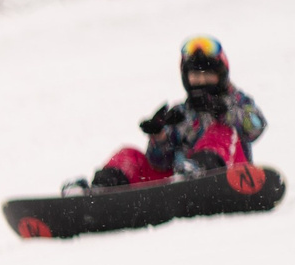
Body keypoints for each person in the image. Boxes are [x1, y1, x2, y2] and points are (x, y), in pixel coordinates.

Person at [84, 35, 266, 189]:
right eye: (196, 75)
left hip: (229, 176)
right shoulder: (181, 112)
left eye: (207, 74)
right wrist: (160, 137)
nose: (202, 80)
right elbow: (160, 163)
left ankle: (201, 173)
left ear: (220, 75)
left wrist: (225, 112)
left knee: (220, 131)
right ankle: (103, 190)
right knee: (129, 154)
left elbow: (256, 126)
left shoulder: (237, 102)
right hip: (180, 183)